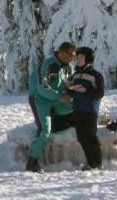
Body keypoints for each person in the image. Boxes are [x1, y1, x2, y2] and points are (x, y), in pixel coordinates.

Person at [25, 42, 77, 172]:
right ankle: (32, 161)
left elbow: (68, 82)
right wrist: (60, 96)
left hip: (56, 99)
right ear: (62, 53)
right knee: (45, 131)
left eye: (73, 56)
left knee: (78, 109)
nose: (72, 59)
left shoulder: (68, 67)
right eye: (70, 55)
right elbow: (42, 88)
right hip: (40, 99)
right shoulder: (49, 64)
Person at [66, 46, 105, 170]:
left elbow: (100, 93)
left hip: (90, 111)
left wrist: (86, 90)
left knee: (91, 137)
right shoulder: (76, 75)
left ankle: (97, 163)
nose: (78, 59)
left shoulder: (96, 75)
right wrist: (69, 87)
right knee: (82, 137)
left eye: (81, 57)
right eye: (77, 57)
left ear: (88, 59)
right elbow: (72, 92)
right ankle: (91, 162)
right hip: (77, 109)